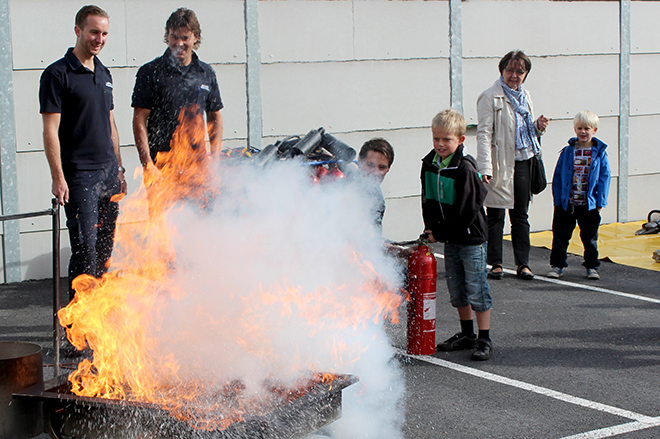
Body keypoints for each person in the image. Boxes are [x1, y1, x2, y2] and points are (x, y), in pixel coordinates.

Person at [40, 5, 126, 300]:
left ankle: (98, 324)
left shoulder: (104, 72)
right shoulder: (57, 74)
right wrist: (58, 177)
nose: (99, 39)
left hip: (108, 175)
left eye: (104, 33)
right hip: (80, 177)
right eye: (93, 32)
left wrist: (119, 168)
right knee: (85, 253)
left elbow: (111, 123)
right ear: (78, 30)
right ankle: (77, 331)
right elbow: (50, 130)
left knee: (104, 255)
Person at [421, 109, 493, 361]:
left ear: (461, 140)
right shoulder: (429, 164)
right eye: (436, 138)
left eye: (447, 139)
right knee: (457, 289)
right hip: (450, 238)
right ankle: (467, 334)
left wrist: (438, 233)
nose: (440, 144)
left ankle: (484, 337)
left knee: (477, 288)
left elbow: (467, 211)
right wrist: (431, 228)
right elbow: (428, 200)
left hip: (470, 238)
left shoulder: (465, 169)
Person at [476, 50, 549, 281]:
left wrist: (537, 127)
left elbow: (527, 132)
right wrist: (485, 167)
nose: (514, 75)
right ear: (502, 71)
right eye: (510, 70)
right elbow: (484, 134)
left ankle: (523, 264)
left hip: (524, 161)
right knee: (495, 214)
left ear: (526, 74)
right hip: (500, 163)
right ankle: (495, 263)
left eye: (520, 71)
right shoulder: (490, 96)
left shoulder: (526, 96)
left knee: (520, 216)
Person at [132, 7, 223, 177]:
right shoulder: (150, 72)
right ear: (167, 36)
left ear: (196, 37)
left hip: (198, 170)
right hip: (161, 169)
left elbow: (215, 116)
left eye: (185, 37)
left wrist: (215, 160)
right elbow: (139, 119)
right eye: (174, 36)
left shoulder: (206, 73)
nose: (179, 43)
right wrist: (148, 164)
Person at [547, 110, 611, 280]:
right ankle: (557, 265)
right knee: (560, 236)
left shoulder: (599, 153)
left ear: (594, 130)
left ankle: (592, 266)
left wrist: (600, 201)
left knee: (590, 238)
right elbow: (558, 176)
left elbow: (605, 178)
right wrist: (558, 199)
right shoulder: (568, 152)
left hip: (588, 204)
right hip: (567, 203)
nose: (583, 132)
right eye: (579, 128)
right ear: (575, 129)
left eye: (587, 128)